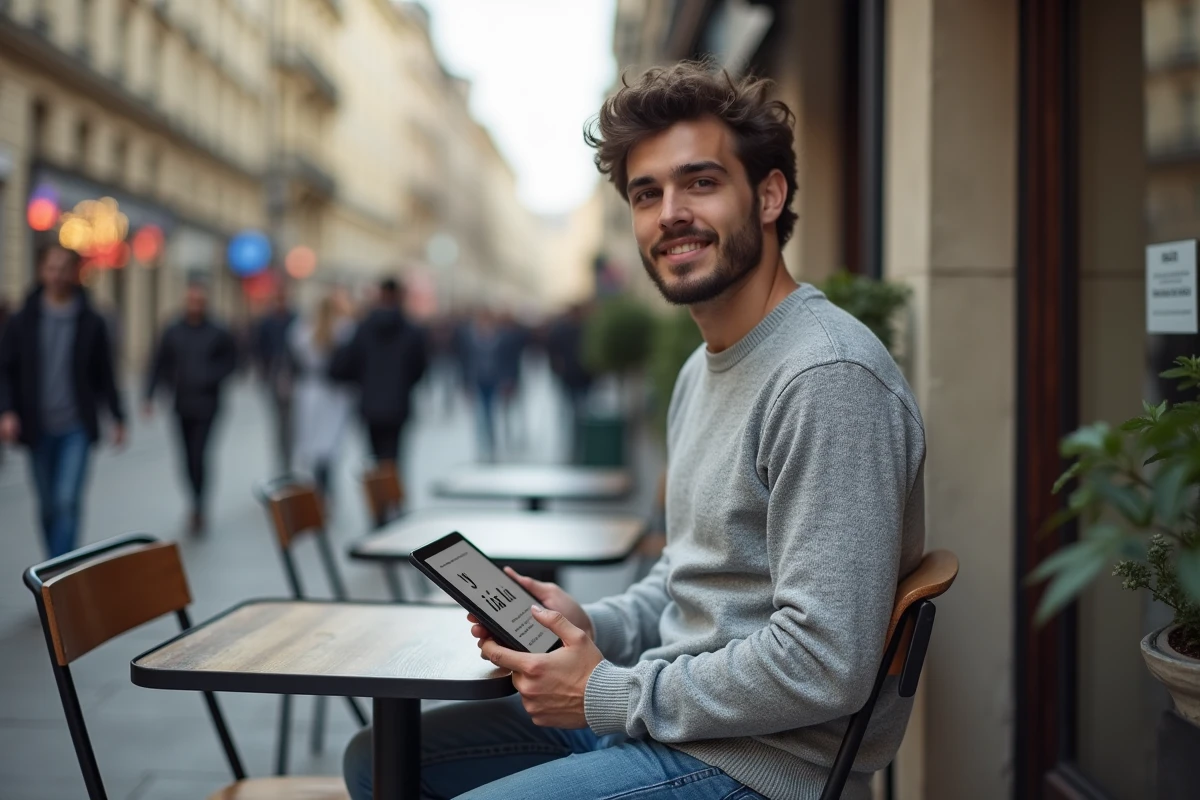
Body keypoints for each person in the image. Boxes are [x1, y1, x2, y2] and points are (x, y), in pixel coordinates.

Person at [343, 61, 927, 800]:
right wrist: (589, 622)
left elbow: (823, 660)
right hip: (676, 715)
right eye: (647, 194)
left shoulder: (826, 378)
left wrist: (608, 694)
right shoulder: (703, 368)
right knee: (379, 760)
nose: (669, 213)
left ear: (770, 195)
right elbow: (688, 582)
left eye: (701, 182)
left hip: (760, 761)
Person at [0, 243, 126, 558]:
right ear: (42, 270)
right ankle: (54, 565)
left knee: (66, 500)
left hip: (76, 426)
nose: (56, 275)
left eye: (63, 268)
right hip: (37, 425)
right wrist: (6, 411)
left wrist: (118, 416)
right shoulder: (23, 320)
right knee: (46, 506)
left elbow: (105, 373)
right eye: (51, 268)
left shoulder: (91, 320)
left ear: (74, 273)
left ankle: (60, 572)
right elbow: (5, 370)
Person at [143, 279, 237, 535]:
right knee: (186, 457)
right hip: (182, 403)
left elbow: (233, 361)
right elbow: (158, 362)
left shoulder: (218, 331)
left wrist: (210, 375)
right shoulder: (173, 330)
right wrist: (149, 395)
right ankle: (194, 499)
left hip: (208, 403)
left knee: (200, 454)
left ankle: (199, 504)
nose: (195, 305)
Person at [329, 277, 428, 463]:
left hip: (370, 404)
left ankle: (380, 491)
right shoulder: (412, 331)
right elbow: (419, 369)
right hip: (398, 404)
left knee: (374, 459)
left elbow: (349, 364)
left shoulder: (363, 328)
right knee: (394, 458)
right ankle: (392, 491)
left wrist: (364, 383)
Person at [289, 289, 356, 502]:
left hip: (311, 390)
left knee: (315, 443)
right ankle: (326, 488)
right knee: (330, 444)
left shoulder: (301, 331)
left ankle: (320, 487)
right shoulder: (344, 329)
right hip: (334, 393)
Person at [253, 287, 297, 471]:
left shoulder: (295, 319)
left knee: (290, 421)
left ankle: (288, 457)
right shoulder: (267, 322)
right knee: (279, 421)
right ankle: (282, 458)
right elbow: (259, 348)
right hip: (274, 374)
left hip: (292, 375)